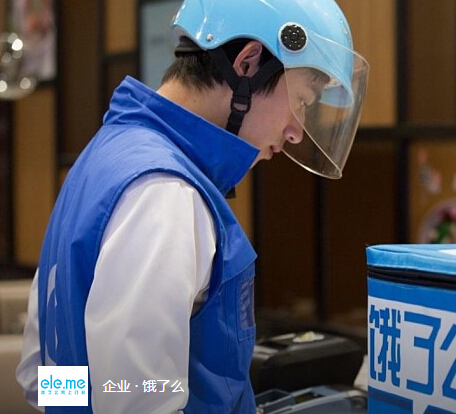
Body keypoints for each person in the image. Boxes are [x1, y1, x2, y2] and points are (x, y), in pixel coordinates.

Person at [15, 0, 369, 412]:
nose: (295, 132)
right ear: (249, 63)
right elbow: (139, 403)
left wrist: (85, 401)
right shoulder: (164, 193)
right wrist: (109, 396)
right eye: (303, 101)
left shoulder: (104, 158)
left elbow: (40, 374)